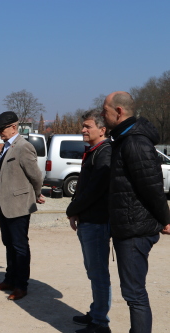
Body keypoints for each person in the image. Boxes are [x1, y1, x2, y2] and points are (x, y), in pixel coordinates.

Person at [101, 91, 170, 332]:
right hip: (129, 227)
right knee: (133, 292)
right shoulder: (124, 139)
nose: (102, 115)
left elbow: (152, 187)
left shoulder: (134, 142)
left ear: (118, 112)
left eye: (105, 111)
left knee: (134, 294)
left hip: (134, 231)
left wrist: (166, 219)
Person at [0, 111, 45, 300]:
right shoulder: (6, 147)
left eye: (2, 129)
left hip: (19, 205)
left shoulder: (23, 147)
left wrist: (37, 194)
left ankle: (21, 285)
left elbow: (35, 175)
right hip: (5, 205)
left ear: (14, 127)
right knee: (9, 244)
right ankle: (10, 280)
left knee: (19, 246)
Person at [66, 110, 112, 333]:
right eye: (83, 126)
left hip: (97, 222)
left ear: (102, 130)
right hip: (89, 220)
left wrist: (72, 209)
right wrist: (76, 211)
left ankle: (100, 323)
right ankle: (97, 313)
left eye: (88, 126)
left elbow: (94, 190)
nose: (83, 130)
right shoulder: (95, 151)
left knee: (98, 273)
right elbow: (84, 187)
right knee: (93, 271)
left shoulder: (105, 152)